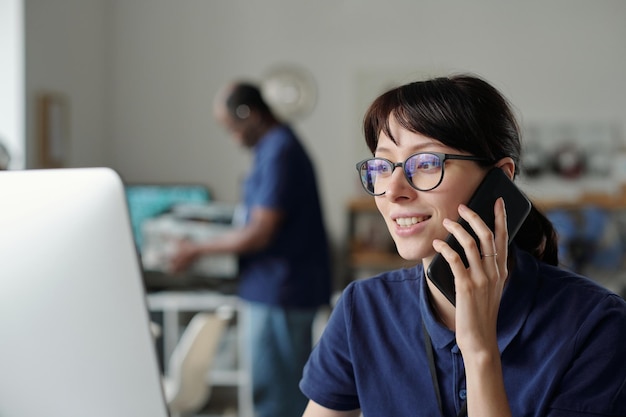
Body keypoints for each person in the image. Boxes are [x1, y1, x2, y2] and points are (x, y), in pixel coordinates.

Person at [299, 74, 626, 417]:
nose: (393, 190)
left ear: (500, 179)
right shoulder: (364, 310)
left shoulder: (597, 324)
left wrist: (480, 351)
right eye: (382, 166)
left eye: (426, 163)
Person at [170, 81, 332, 417]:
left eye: (232, 128)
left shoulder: (279, 150)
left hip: (280, 290)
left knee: (276, 397)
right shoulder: (274, 148)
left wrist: (197, 249)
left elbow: (259, 231)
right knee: (283, 388)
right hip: (280, 288)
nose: (233, 138)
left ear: (249, 114)